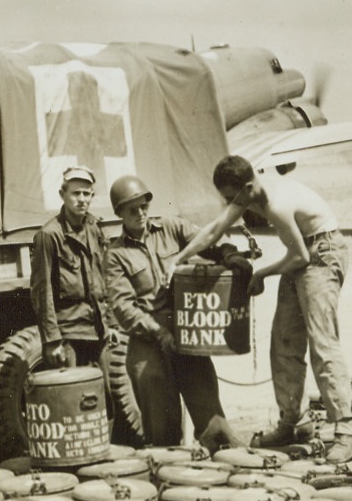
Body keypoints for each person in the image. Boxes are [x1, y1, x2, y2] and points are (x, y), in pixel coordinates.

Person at [166, 154, 352, 462]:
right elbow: (215, 228)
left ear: (248, 187)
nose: (230, 203)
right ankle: (293, 423)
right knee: (283, 343)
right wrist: (180, 257)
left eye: (232, 197)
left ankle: (345, 431)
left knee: (323, 345)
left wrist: (261, 273)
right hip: (302, 254)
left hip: (322, 254)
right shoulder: (250, 190)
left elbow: (301, 259)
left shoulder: (277, 204)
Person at [104, 174, 249, 451]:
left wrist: (230, 255)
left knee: (213, 423)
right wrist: (160, 334)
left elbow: (209, 241)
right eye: (131, 209)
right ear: (119, 213)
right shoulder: (115, 254)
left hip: (188, 333)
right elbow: (124, 308)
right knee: (163, 436)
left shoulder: (172, 227)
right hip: (148, 345)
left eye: (143, 205)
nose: (140, 213)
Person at [30, 165, 117, 367]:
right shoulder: (49, 235)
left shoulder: (94, 228)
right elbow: (42, 290)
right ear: (63, 194)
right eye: (75, 193)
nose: (82, 199)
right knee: (74, 395)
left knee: (106, 393)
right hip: (68, 333)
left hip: (98, 331)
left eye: (87, 194)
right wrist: (52, 340)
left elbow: (105, 278)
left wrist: (110, 323)